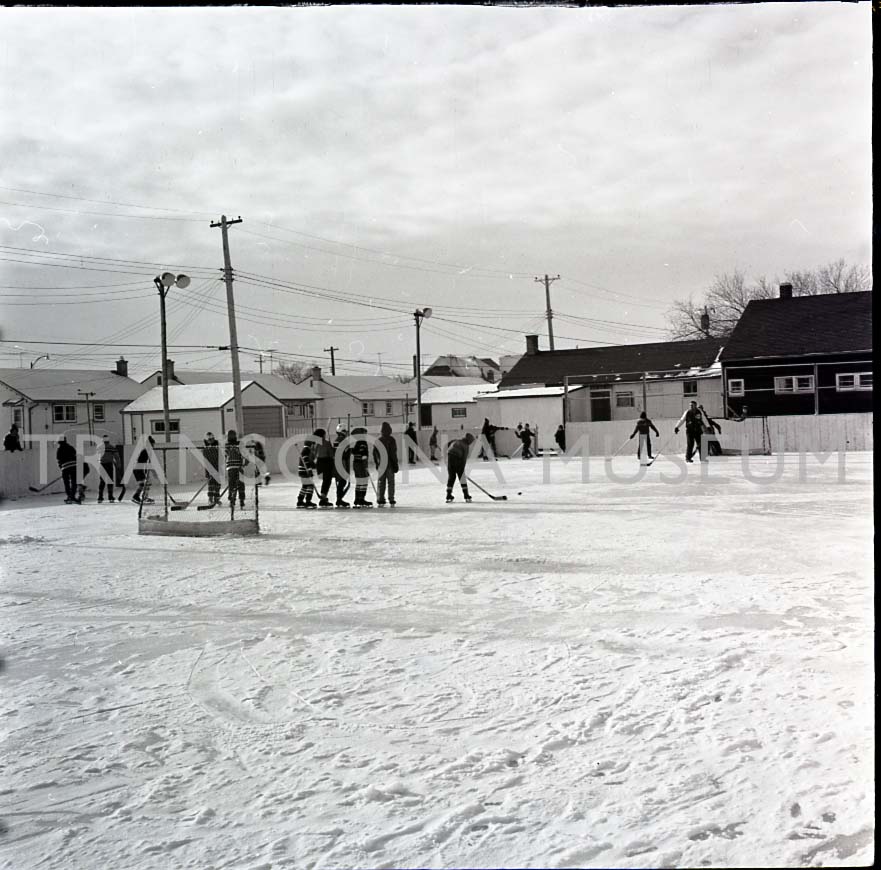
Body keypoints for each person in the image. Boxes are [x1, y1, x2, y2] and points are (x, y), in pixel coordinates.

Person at [374, 421, 399, 506]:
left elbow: (375, 453)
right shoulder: (391, 440)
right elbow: (393, 453)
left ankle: (380, 498)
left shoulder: (378, 440)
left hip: (381, 465)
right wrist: (395, 464)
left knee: (381, 482)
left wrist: (377, 464)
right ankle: (391, 498)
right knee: (391, 482)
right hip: (390, 465)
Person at [445, 432, 474, 503]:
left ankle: (448, 495)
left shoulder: (456, 440)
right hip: (457, 457)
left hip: (449, 456)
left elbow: (449, 444)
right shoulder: (465, 446)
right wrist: (462, 471)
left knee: (452, 476)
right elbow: (464, 459)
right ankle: (466, 495)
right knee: (462, 477)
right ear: (469, 441)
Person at [349, 426, 373, 507]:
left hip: (356, 464)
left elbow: (354, 451)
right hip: (361, 464)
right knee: (363, 481)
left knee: (359, 482)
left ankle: (357, 499)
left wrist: (351, 450)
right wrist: (365, 465)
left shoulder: (357, 443)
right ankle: (361, 499)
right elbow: (363, 454)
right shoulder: (363, 442)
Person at [313, 428, 335, 507]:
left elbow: (314, 455)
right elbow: (331, 454)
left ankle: (323, 496)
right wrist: (331, 447)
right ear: (322, 435)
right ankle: (323, 497)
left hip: (319, 463)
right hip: (326, 462)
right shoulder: (326, 443)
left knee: (325, 481)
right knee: (327, 481)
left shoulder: (316, 444)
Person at [97, 435, 123, 502]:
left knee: (102, 481)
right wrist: (118, 464)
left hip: (102, 465)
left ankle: (100, 497)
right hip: (109, 465)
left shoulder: (99, 447)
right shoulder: (111, 447)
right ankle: (110, 497)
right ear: (108, 440)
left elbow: (98, 456)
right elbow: (117, 456)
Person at [225, 430, 247, 508]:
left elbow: (225, 456)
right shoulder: (239, 444)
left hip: (231, 468)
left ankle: (232, 500)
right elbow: (245, 455)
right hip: (238, 467)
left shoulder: (227, 445)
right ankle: (241, 500)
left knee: (232, 484)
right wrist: (244, 464)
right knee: (240, 484)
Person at [132, 436, 156, 504]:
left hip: (140, 469)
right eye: (153, 444)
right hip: (139, 469)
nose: (154, 445)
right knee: (144, 483)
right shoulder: (146, 451)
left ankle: (144, 497)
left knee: (146, 483)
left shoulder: (147, 451)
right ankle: (137, 496)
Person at [333, 425, 352, 508]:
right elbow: (345, 452)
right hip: (342, 462)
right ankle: (339, 499)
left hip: (337, 461)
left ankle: (339, 498)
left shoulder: (337, 440)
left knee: (341, 481)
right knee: (342, 481)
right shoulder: (343, 440)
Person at [56, 435, 79, 503]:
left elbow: (58, 460)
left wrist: (61, 468)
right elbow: (76, 456)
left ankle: (69, 496)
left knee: (66, 483)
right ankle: (72, 496)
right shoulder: (71, 447)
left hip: (65, 467)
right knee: (74, 482)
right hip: (74, 467)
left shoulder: (59, 449)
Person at [202, 432, 222, 506]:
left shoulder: (218, 446)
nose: (210, 440)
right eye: (209, 439)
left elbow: (221, 457)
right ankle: (210, 499)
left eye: (212, 439)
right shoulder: (205, 448)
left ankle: (216, 499)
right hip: (209, 468)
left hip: (217, 467)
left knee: (217, 484)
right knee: (211, 484)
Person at [297, 436, 317, 509]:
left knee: (305, 486)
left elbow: (309, 461)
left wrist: (314, 466)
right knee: (310, 486)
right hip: (305, 471)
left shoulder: (305, 450)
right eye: (313, 444)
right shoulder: (306, 450)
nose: (313, 446)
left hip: (302, 471)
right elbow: (305, 460)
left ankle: (300, 500)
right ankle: (308, 501)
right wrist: (309, 470)